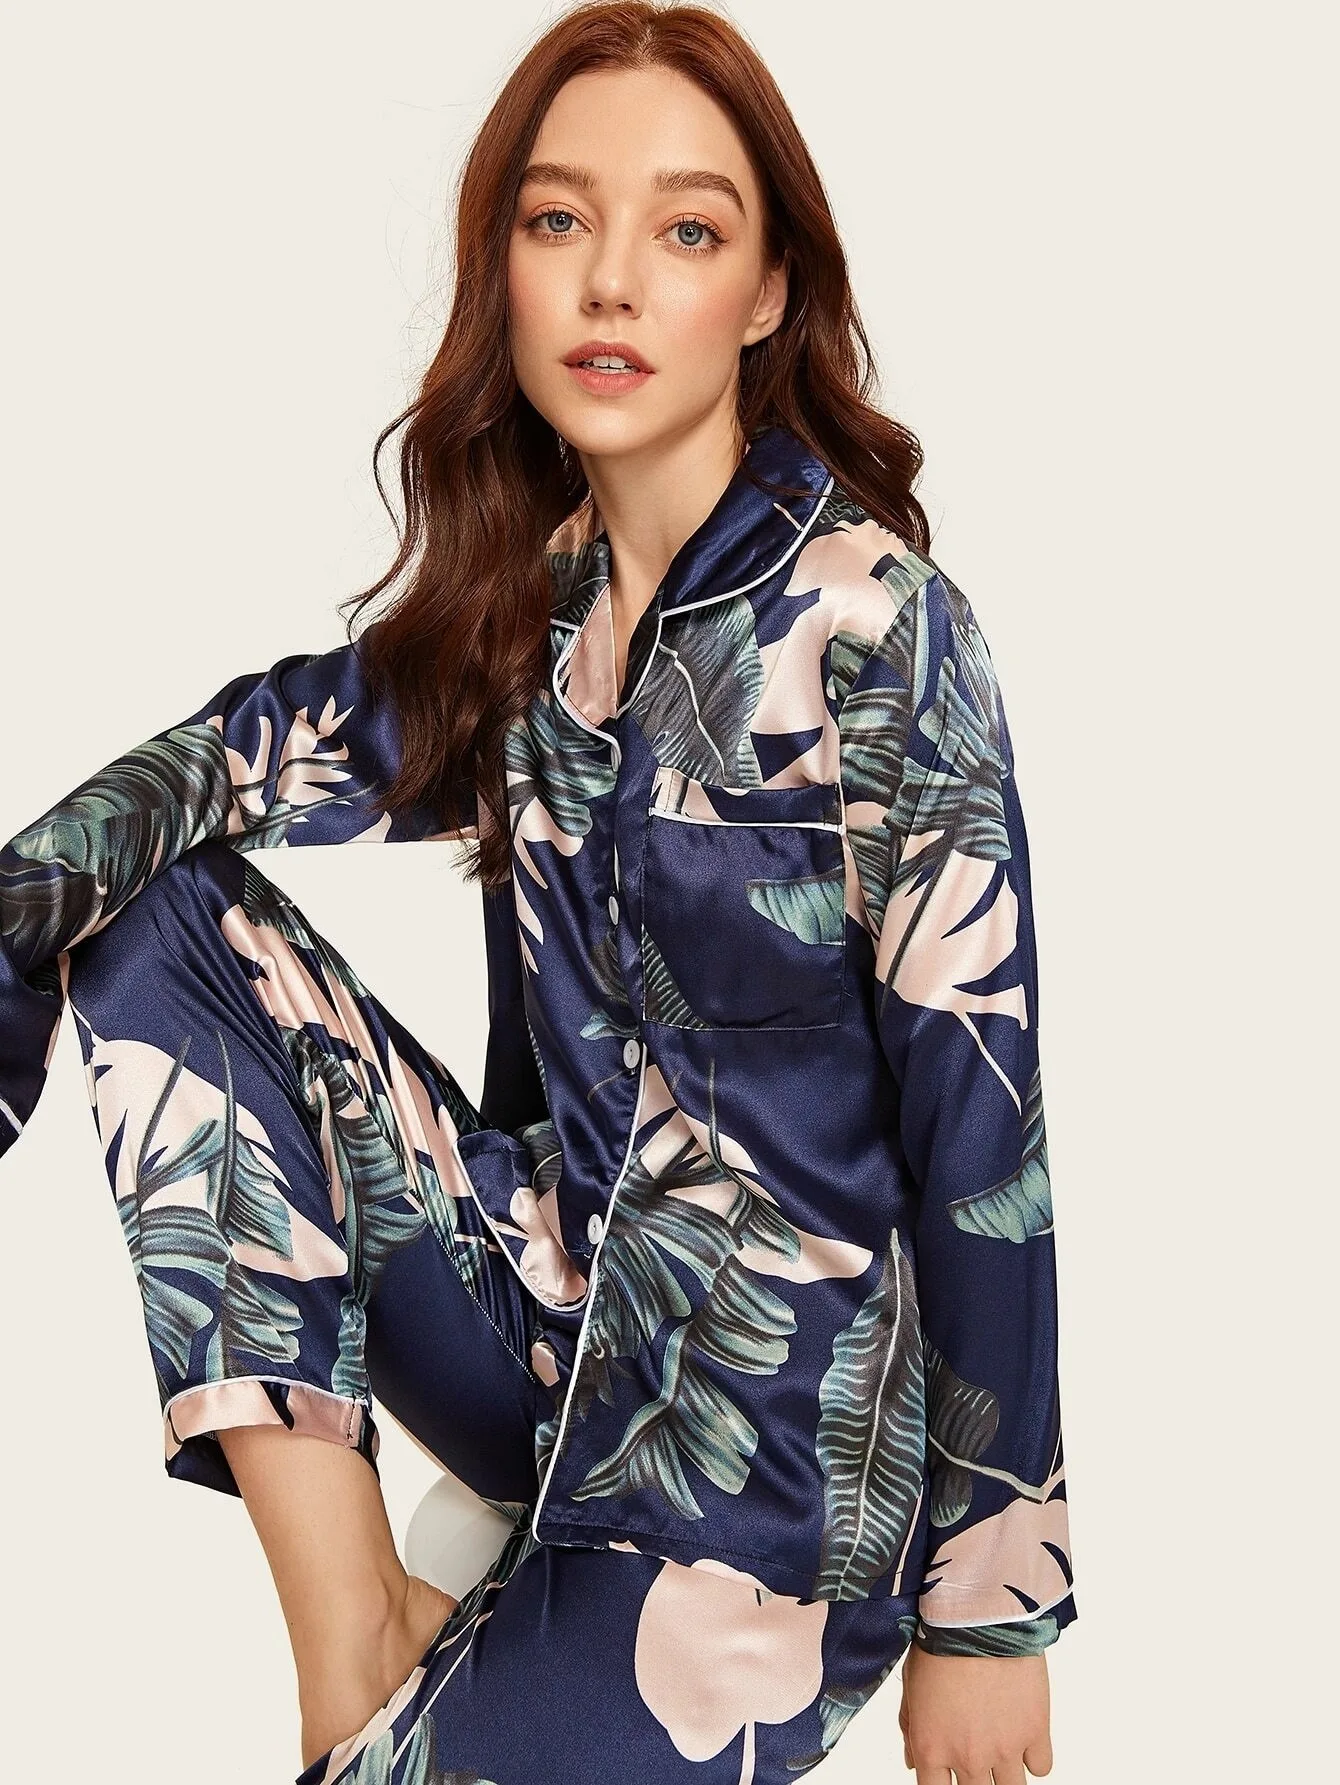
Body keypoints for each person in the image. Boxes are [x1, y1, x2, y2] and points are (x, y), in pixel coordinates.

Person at [0, 3, 1077, 1780]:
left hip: (779, 1473)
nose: (611, 282)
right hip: (555, 1328)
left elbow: (986, 1127)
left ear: (769, 294)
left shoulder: (877, 628)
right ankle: (355, 1629)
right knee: (145, 909)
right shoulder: (540, 614)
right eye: (559, 218)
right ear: (500, 264)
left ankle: (390, 1711)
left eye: (688, 230)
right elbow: (238, 755)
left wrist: (993, 1609)